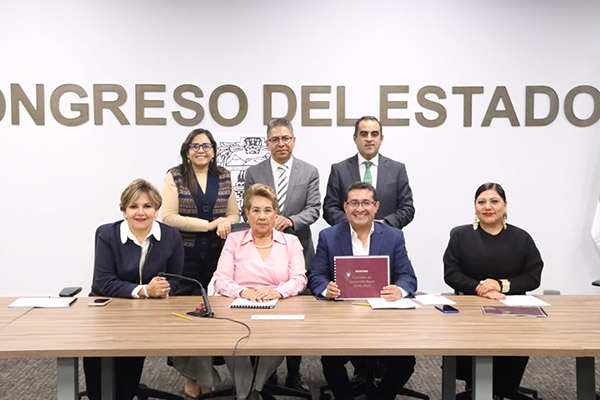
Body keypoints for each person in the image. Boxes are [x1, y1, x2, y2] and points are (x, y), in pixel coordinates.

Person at [309, 182, 417, 400]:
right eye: (354, 203)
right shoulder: (328, 236)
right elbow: (316, 276)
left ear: (376, 206)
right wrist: (326, 289)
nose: (360, 208)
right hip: (342, 317)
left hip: (383, 317)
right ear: (345, 207)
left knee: (405, 362)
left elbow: (408, 277)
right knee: (330, 359)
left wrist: (399, 290)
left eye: (366, 203)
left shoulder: (394, 236)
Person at [84, 179, 184, 400]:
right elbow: (103, 282)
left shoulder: (171, 236)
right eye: (133, 206)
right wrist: (145, 290)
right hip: (106, 310)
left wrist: (164, 289)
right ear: (124, 211)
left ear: (156, 210)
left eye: (147, 206)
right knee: (97, 374)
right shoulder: (107, 234)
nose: (141, 212)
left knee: (127, 372)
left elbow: (177, 280)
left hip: (148, 314)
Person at [443, 182, 544, 399]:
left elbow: (533, 275)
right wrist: (480, 288)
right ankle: (480, 388)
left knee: (509, 361)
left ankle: (503, 388)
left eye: (494, 201)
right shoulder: (460, 236)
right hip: (471, 311)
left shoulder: (521, 238)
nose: (487, 207)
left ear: (505, 205)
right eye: (481, 202)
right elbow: (451, 273)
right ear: (475, 207)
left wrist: (500, 285)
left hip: (512, 311)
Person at [161, 128, 240, 397]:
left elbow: (234, 214)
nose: (201, 150)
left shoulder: (224, 176)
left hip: (218, 256)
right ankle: (192, 376)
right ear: (187, 151)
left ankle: (205, 372)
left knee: (214, 315)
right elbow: (168, 217)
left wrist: (226, 221)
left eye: (206, 146)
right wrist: (209, 225)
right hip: (184, 255)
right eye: (195, 146)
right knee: (186, 317)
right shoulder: (175, 176)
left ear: (214, 150)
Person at [243, 117, 320, 390]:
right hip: (262, 251)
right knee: (264, 311)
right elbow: (248, 207)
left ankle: (294, 374)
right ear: (267, 143)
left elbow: (314, 209)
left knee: (295, 312)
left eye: (285, 138)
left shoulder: (309, 171)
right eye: (275, 139)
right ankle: (267, 372)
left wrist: (290, 221)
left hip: (298, 248)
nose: (281, 143)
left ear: (294, 141)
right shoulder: (254, 172)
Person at [213, 183, 307, 400]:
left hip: (279, 306)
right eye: (256, 210)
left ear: (275, 214)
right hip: (240, 305)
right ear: (247, 214)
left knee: (279, 339)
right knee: (233, 340)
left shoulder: (291, 242)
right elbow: (220, 279)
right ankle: (249, 393)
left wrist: (278, 293)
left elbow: (300, 279)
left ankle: (251, 390)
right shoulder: (234, 240)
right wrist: (244, 292)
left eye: (267, 210)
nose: (262, 216)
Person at [322, 115, 415, 229]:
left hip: (387, 236)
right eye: (364, 134)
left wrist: (384, 224)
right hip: (348, 236)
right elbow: (330, 209)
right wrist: (355, 224)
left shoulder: (397, 170)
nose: (369, 139)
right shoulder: (339, 170)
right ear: (355, 138)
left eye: (374, 134)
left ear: (381, 139)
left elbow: (407, 208)